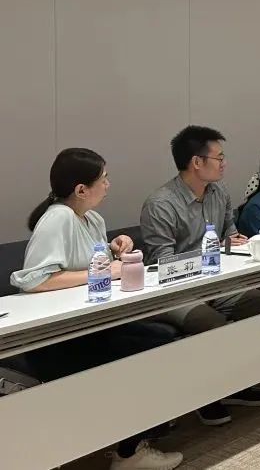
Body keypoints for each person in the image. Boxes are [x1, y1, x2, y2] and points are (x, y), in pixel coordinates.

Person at [12, 148, 183, 470]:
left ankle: (139, 435)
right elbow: (36, 280)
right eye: (103, 179)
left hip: (90, 324)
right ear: (81, 189)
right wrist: (106, 271)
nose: (108, 185)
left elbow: (93, 264)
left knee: (162, 339)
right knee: (149, 350)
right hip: (56, 338)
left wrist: (115, 250)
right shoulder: (57, 219)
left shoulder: (92, 219)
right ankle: (130, 453)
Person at [141, 125, 260, 425]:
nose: (224, 163)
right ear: (197, 162)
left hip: (217, 283)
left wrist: (234, 242)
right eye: (219, 157)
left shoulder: (220, 193)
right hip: (174, 292)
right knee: (211, 323)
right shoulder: (161, 204)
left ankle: (241, 382)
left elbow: (230, 235)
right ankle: (207, 396)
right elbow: (163, 264)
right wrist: (212, 254)